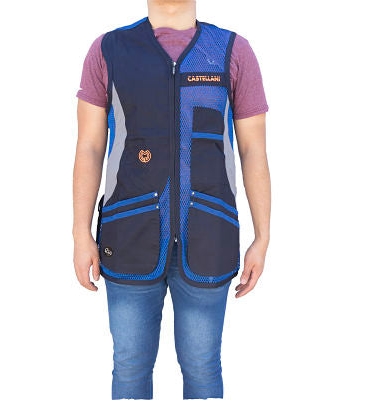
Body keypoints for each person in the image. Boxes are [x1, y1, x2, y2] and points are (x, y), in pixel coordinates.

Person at [73, 0, 271, 398]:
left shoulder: (233, 52)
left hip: (209, 237)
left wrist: (262, 237)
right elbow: (89, 147)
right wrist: (80, 232)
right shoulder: (108, 50)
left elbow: (253, 150)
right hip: (127, 237)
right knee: (130, 367)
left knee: (202, 367)